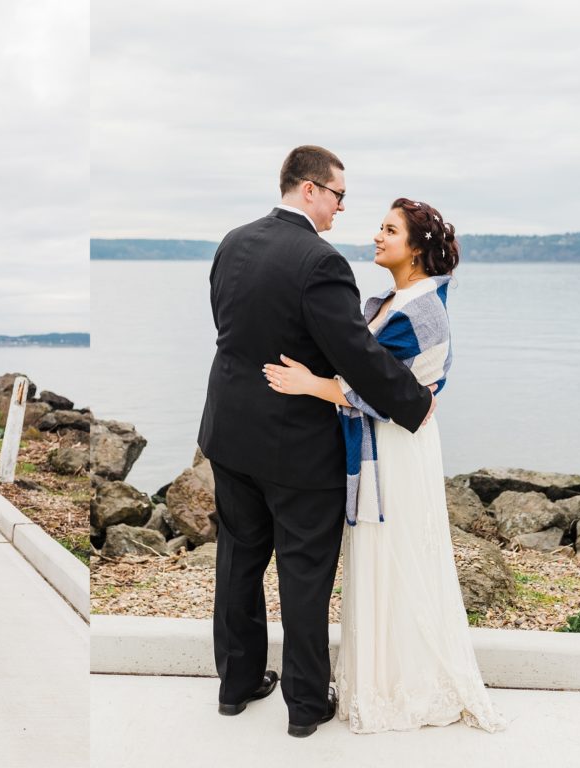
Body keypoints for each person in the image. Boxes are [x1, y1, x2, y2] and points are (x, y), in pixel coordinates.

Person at [197, 146, 435, 737]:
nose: (341, 209)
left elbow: (230, 326)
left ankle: (236, 685)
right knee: (304, 573)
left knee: (239, 559)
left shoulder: (232, 242)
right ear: (309, 189)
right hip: (296, 447)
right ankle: (305, 705)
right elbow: (353, 350)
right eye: (338, 196)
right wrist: (413, 403)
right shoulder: (320, 262)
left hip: (227, 430)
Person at [262, 199, 505, 733]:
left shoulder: (422, 309)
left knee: (397, 556)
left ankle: (404, 684)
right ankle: (377, 676)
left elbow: (381, 390)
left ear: (416, 249)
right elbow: (365, 364)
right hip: (385, 443)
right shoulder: (395, 299)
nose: (377, 236)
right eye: (380, 227)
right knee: (378, 558)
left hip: (396, 449)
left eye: (390, 230)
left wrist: (311, 385)